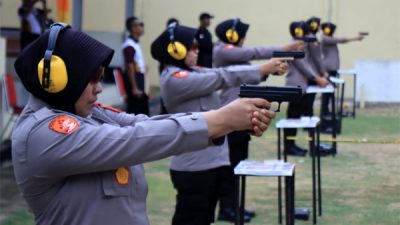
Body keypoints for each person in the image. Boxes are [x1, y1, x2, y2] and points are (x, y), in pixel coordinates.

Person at [12, 23, 273, 225]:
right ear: (55, 79)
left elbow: (142, 124)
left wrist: (222, 123)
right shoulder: (44, 133)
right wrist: (220, 119)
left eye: (100, 77)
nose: (99, 88)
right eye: (91, 78)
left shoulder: (84, 111)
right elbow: (132, 139)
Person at [151, 23, 289, 225]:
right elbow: (222, 76)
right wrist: (261, 68)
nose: (197, 51)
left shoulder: (192, 71)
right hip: (194, 166)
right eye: (192, 47)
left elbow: (223, 72)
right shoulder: (174, 79)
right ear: (175, 50)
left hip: (212, 161)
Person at [212, 18, 303, 222]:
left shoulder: (232, 54)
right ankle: (228, 208)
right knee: (230, 166)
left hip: (240, 114)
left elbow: (248, 75)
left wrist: (268, 71)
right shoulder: (223, 50)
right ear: (232, 35)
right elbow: (251, 53)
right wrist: (279, 50)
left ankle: (235, 206)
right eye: (241, 35)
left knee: (238, 163)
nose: (243, 40)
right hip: (229, 115)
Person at [284, 21, 329, 156]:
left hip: (299, 86)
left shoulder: (297, 44)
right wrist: (318, 78)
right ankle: (289, 146)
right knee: (293, 118)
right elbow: (302, 64)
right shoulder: (294, 46)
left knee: (298, 117)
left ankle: (292, 145)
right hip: (295, 86)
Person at [320, 22, 364, 118]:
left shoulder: (328, 39)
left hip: (332, 69)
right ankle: (324, 112)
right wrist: (355, 38)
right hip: (328, 69)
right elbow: (341, 40)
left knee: (330, 92)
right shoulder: (325, 38)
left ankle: (326, 111)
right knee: (327, 92)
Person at [122, 16, 149, 115]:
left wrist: (143, 67)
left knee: (142, 109)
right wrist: (134, 87)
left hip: (139, 78)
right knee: (135, 111)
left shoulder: (135, 43)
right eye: (140, 25)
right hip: (135, 81)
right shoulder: (129, 45)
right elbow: (129, 67)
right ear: (133, 28)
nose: (143, 27)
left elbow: (135, 63)